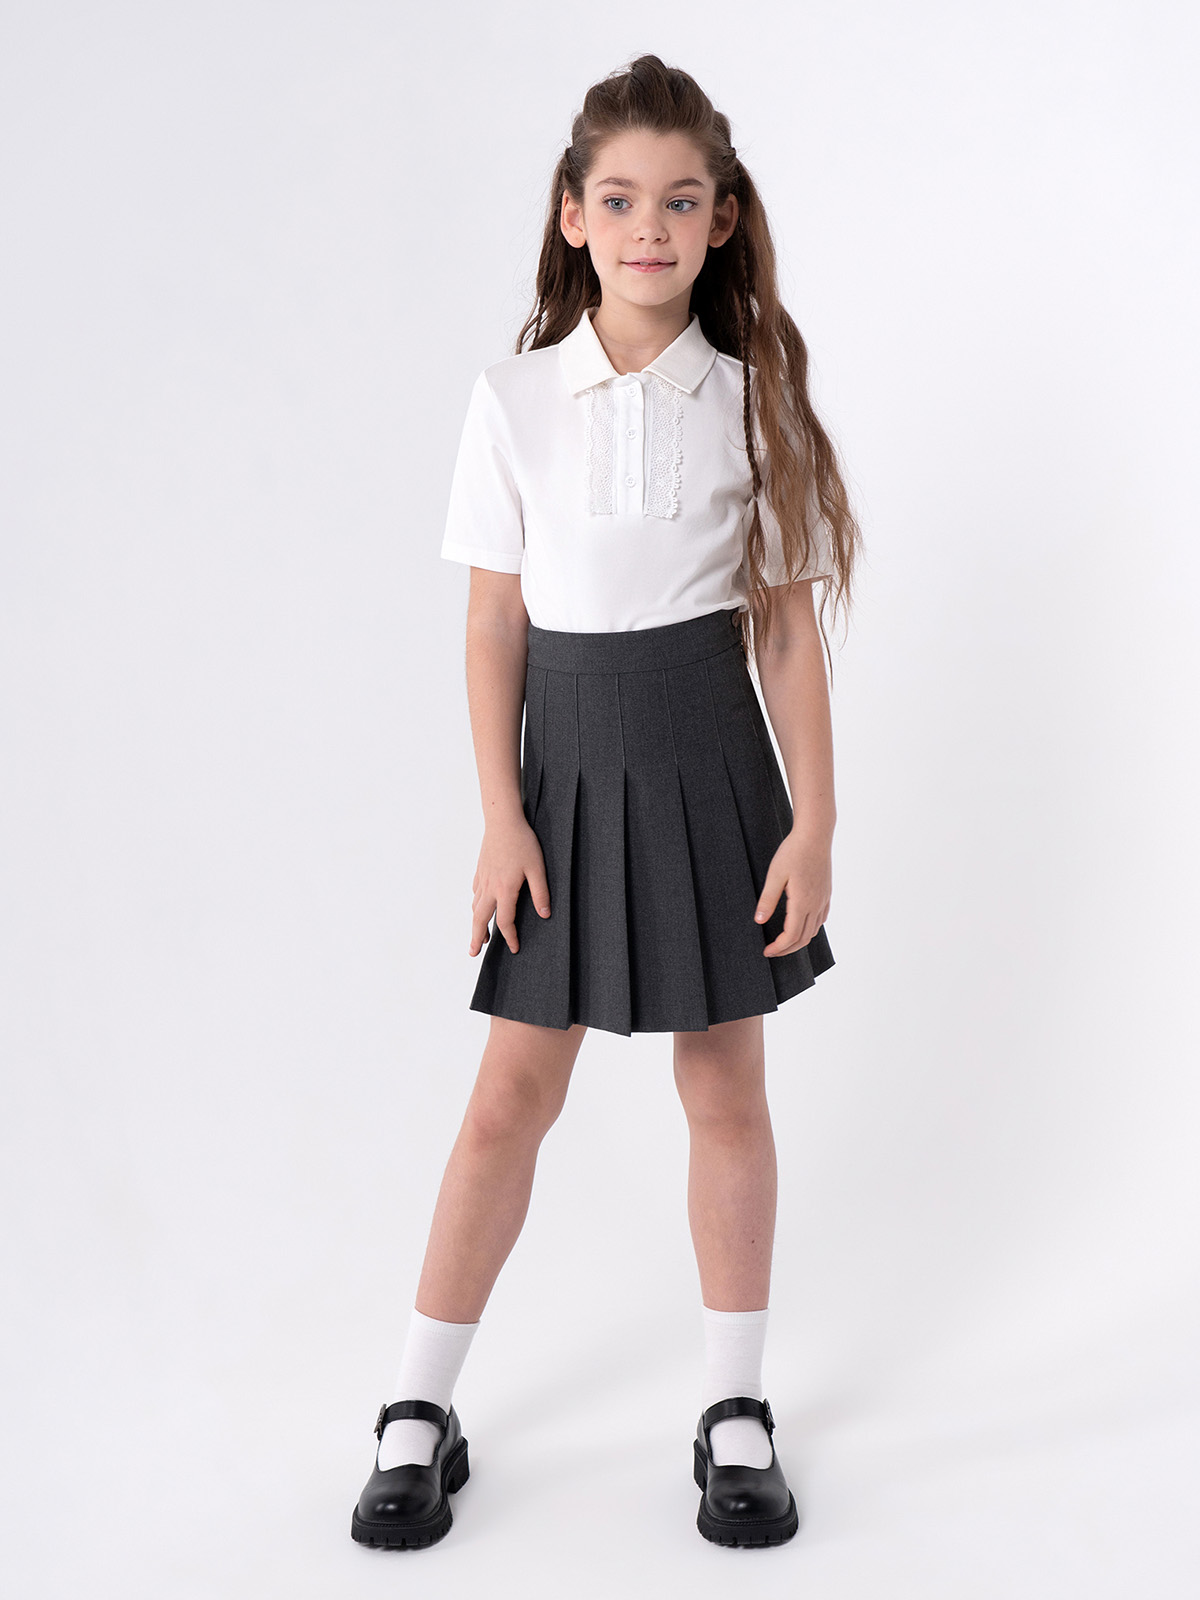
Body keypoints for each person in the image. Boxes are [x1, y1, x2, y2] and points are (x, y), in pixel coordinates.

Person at [351, 51, 861, 1552]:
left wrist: (815, 822)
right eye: (622, 199)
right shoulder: (512, 399)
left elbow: (784, 631)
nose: (651, 227)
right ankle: (417, 1405)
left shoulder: (754, 401)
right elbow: (492, 623)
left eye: (681, 201)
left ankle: (735, 1408)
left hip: (715, 766)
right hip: (561, 777)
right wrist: (500, 815)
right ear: (573, 215)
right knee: (511, 1096)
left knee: (726, 1088)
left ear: (720, 220)